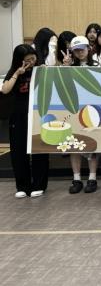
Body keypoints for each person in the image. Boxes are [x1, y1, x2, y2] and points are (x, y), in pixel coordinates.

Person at [2, 44, 49, 198]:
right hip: (18, 115)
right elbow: (5, 89)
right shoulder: (15, 71)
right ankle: (22, 186)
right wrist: (17, 73)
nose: (31, 62)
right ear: (19, 60)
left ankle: (39, 185)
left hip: (38, 114)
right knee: (18, 150)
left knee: (39, 149)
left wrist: (44, 69)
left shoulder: (40, 69)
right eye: (27, 60)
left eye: (33, 58)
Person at [67, 36, 100, 194]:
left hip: (92, 110)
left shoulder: (98, 66)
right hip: (72, 109)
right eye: (76, 50)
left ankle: (92, 178)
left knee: (92, 145)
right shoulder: (68, 67)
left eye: (82, 49)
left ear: (89, 48)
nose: (80, 53)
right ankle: (77, 179)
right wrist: (65, 67)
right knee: (73, 145)